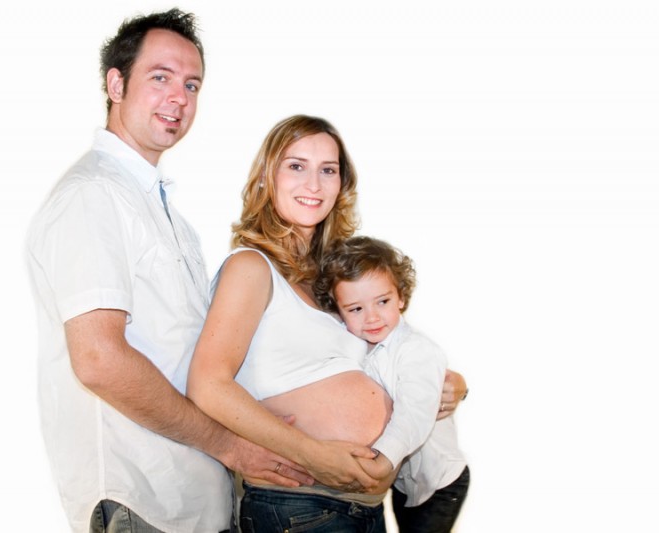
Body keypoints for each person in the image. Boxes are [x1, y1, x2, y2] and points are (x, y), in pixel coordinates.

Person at [25, 9, 314, 533]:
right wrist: (230, 445)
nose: (179, 98)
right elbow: (99, 359)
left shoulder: (163, 212)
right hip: (143, 501)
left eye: (191, 85)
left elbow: (195, 356)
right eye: (160, 77)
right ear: (116, 84)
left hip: (194, 499)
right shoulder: (93, 195)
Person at [186, 115, 468, 532]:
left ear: (342, 184)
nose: (314, 184)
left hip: (363, 508)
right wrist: (313, 454)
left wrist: (450, 386)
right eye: (296, 166)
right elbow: (207, 385)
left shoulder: (335, 279)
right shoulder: (251, 267)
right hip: (300, 505)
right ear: (266, 177)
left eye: (328, 170)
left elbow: (389, 354)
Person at [314, 236, 470, 533]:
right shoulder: (355, 346)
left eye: (382, 302)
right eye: (355, 309)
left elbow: (412, 416)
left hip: (440, 482)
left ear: (401, 297)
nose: (372, 317)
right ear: (339, 312)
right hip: (403, 480)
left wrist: (382, 461)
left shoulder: (418, 351)